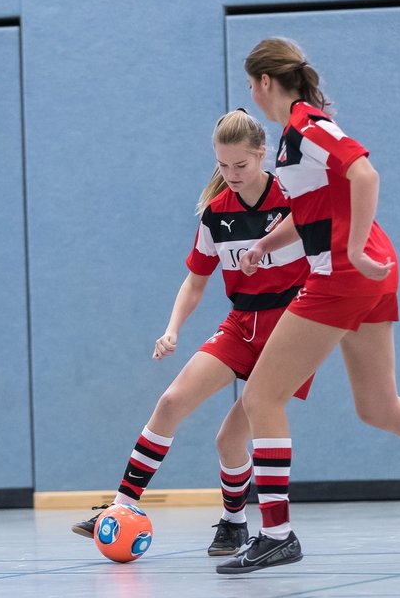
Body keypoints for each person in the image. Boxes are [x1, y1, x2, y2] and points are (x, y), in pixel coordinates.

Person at [214, 38, 400, 575]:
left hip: (346, 274)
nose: (252, 96)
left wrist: (353, 246)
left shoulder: (308, 126)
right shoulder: (293, 137)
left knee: (262, 396)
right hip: (367, 273)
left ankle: (278, 534)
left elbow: (365, 174)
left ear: (265, 83)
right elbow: (317, 207)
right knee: (378, 405)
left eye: (251, 86)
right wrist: (267, 245)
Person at [72, 109, 313, 556]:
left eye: (240, 165)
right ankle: (121, 506)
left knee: (228, 439)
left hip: (290, 328)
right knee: (170, 402)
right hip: (241, 323)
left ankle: (239, 522)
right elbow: (195, 280)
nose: (232, 174)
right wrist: (172, 329)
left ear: (263, 155)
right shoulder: (215, 214)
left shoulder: (291, 197)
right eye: (223, 166)